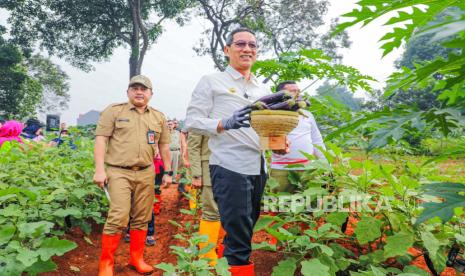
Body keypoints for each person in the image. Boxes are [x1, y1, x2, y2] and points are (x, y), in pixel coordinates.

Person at [186, 27, 284, 275]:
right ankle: (235, 267)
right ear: (227, 50)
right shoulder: (212, 81)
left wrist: (278, 145)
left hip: (257, 167)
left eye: (252, 45)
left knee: (245, 229)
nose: (247, 49)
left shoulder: (263, 89)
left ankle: (223, 266)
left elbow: (265, 130)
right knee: (240, 238)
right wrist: (222, 123)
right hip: (229, 166)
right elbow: (191, 121)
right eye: (240, 44)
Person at [93, 75, 172, 276]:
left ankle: (136, 259)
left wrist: (168, 171)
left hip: (146, 171)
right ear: (128, 92)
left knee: (142, 217)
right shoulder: (114, 111)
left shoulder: (158, 117)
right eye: (135, 88)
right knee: (118, 215)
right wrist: (100, 170)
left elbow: (163, 145)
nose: (139, 92)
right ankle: (106, 263)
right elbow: (101, 139)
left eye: (144, 89)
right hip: (118, 171)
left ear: (150, 94)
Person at [270, 81, 326, 192]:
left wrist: (324, 163)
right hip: (281, 169)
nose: (298, 93)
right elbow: (267, 139)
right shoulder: (272, 114)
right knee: (280, 205)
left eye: (298, 91)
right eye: (292, 91)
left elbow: (317, 140)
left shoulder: (308, 115)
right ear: (280, 95)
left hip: (308, 169)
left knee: (309, 206)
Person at [188, 133, 225, 266]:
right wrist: (197, 174)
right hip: (209, 168)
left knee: (227, 211)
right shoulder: (201, 113)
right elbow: (193, 146)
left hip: (232, 166)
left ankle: (219, 247)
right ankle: (207, 256)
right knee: (212, 211)